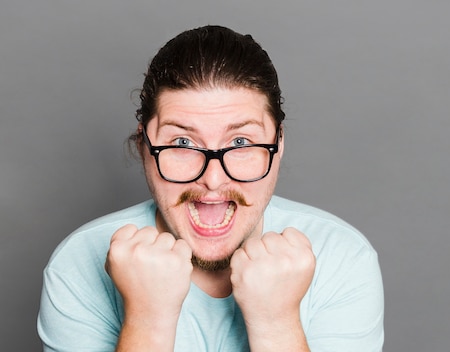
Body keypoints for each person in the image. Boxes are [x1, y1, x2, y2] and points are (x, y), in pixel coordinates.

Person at [37, 24, 384, 352]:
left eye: (241, 141)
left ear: (277, 146)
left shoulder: (342, 258)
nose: (213, 181)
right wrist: (148, 319)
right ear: (145, 147)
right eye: (183, 142)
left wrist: (276, 323)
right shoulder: (79, 262)